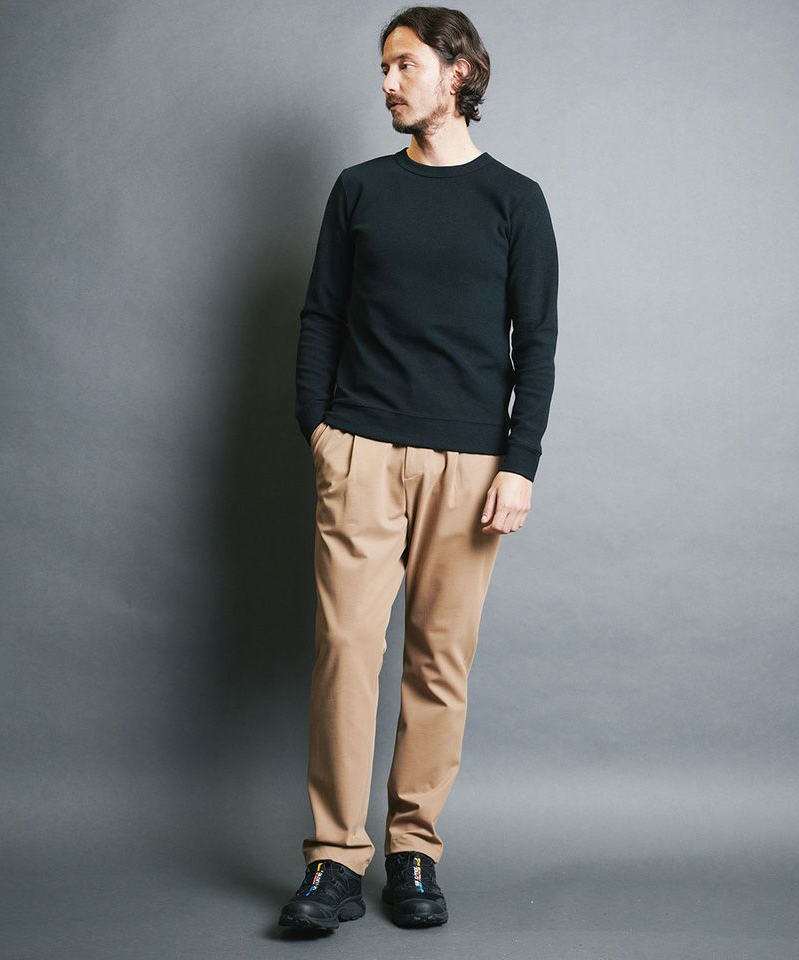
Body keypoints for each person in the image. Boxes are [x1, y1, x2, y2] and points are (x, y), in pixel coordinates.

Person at [279, 5, 558, 932]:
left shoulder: (515, 200)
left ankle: (413, 853)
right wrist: (321, 433)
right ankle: (332, 861)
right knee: (346, 657)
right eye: (383, 67)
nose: (387, 82)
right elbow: (320, 316)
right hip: (359, 450)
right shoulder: (359, 189)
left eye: (404, 65)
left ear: (458, 71)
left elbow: (537, 342)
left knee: (439, 663)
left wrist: (519, 464)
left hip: (471, 465)